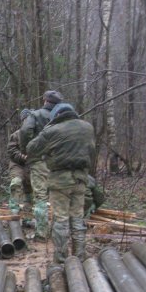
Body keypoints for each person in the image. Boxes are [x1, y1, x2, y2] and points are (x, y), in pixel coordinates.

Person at [26, 103, 95, 263]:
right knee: (77, 218)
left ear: (56, 116)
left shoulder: (52, 130)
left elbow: (31, 148)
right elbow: (91, 152)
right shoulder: (87, 127)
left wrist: (47, 151)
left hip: (60, 180)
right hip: (81, 179)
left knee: (61, 220)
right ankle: (80, 256)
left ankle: (61, 259)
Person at [18, 90, 63, 240]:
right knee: (58, 196)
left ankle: (41, 233)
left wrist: (27, 150)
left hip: (40, 161)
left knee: (40, 196)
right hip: (59, 162)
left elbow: (25, 131)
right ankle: (58, 233)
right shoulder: (63, 117)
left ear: (45, 100)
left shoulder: (35, 115)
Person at [7, 109, 33, 216]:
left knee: (30, 189)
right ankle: (14, 211)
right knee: (16, 183)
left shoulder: (37, 134)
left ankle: (27, 215)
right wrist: (22, 157)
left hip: (31, 165)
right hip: (17, 164)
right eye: (26, 119)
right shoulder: (16, 135)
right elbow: (11, 151)